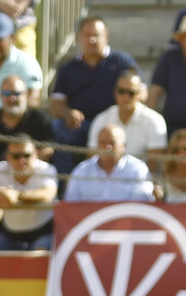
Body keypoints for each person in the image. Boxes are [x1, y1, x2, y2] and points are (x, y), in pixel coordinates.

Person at [49, 16, 136, 153]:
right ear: (79, 37)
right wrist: (68, 113)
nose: (92, 40)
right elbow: (57, 103)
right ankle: (65, 168)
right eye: (87, 35)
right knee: (57, 127)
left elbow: (140, 91)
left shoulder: (122, 62)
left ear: (106, 37)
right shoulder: (68, 68)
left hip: (114, 123)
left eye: (96, 35)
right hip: (79, 125)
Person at [0, 133, 58, 249]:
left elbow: (48, 194)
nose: (22, 160)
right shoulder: (0, 168)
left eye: (27, 155)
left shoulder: (47, 169)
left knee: (38, 255)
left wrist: (17, 195)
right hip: (10, 235)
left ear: (35, 155)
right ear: (8, 157)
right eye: (16, 156)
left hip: (44, 233)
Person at [87, 68, 168, 160]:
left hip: (143, 170)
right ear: (115, 92)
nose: (125, 97)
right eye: (121, 91)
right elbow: (92, 157)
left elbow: (154, 162)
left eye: (131, 93)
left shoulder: (155, 120)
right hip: (107, 170)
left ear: (139, 93)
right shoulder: (102, 119)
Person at [65, 123, 154, 202]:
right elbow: (71, 206)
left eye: (112, 143)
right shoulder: (82, 170)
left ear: (123, 146)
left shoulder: (137, 169)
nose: (107, 147)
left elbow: (141, 205)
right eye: (102, 142)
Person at [0, 75, 55, 162]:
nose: (12, 98)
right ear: (0, 95)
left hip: (31, 168)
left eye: (17, 93)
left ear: (26, 95)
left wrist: (20, 165)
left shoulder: (41, 119)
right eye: (6, 93)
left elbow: (47, 151)